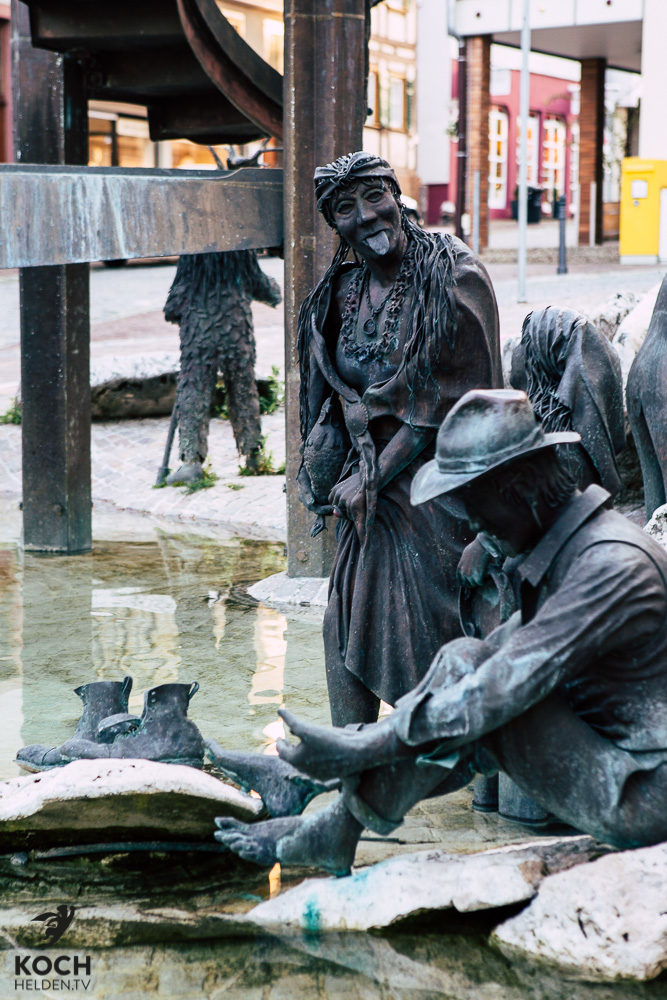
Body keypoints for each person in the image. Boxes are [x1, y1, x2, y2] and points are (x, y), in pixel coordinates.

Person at [214, 389, 667, 875]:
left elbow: (498, 690)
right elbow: (490, 656)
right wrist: (368, 737)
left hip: (646, 796)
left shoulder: (610, 567)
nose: (472, 524)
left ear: (519, 490)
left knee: (491, 712)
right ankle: (319, 808)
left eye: (474, 507)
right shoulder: (574, 551)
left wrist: (367, 743)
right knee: (462, 661)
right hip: (621, 769)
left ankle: (318, 805)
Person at [296, 151, 501, 726]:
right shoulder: (342, 289)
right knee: (344, 613)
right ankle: (353, 757)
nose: (364, 216)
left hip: (444, 479)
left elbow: (452, 398)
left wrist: (374, 475)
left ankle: (449, 747)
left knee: (437, 624)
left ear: (396, 194)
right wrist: (325, 451)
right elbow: (332, 385)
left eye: (373, 197)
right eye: (344, 208)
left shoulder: (452, 275)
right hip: (367, 484)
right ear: (332, 223)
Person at [163, 250, 281, 484]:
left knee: (193, 389)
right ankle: (253, 455)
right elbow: (258, 284)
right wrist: (274, 291)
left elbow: (175, 300)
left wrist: (176, 311)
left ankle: (191, 461)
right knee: (243, 389)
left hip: (198, 331)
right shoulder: (240, 245)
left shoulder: (192, 249)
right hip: (235, 328)